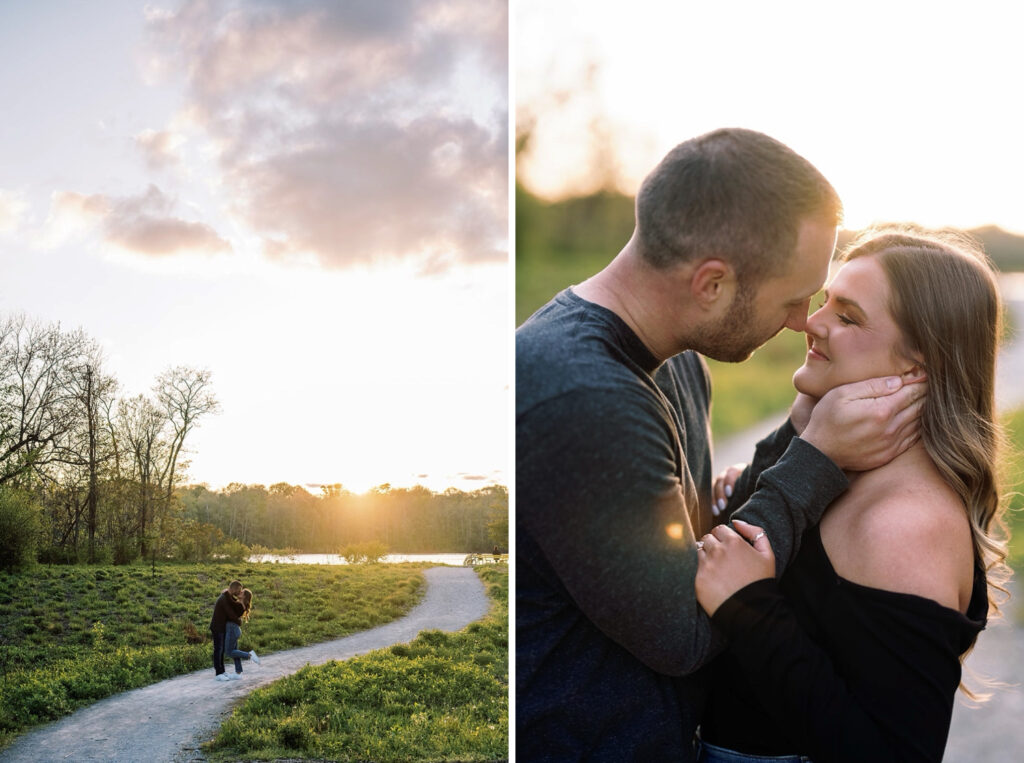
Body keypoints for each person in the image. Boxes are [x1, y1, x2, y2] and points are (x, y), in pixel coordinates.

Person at [516, 127, 927, 760]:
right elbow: (686, 629)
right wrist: (815, 459)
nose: (802, 321)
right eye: (793, 299)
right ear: (712, 283)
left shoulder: (677, 361)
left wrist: (797, 429)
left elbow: (706, 547)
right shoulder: (579, 393)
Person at [694, 229, 1010, 762]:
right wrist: (792, 444)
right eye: (826, 302)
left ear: (917, 366)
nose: (811, 323)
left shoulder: (906, 522)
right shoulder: (835, 459)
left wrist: (750, 607)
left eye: (847, 316)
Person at [210, 579, 245, 681]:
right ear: (235, 589)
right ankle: (218, 674)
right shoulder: (224, 599)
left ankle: (222, 671)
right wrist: (239, 622)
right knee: (218, 649)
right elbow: (231, 615)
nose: (239, 593)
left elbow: (236, 607)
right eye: (239, 590)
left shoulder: (228, 597)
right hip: (217, 627)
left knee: (221, 650)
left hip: (222, 627)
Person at [224, 587, 260, 679]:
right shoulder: (240, 604)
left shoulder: (240, 605)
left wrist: (227, 592)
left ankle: (249, 655)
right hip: (233, 629)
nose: (239, 592)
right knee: (235, 652)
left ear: (244, 596)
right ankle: (238, 673)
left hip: (232, 630)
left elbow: (229, 604)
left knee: (229, 652)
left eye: (242, 592)